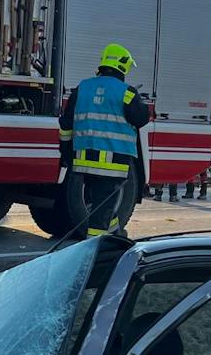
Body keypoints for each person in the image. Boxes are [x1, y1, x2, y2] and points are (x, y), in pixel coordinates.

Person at [59, 43, 151, 236]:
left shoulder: (81, 89)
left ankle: (116, 233)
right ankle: (95, 250)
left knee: (100, 204)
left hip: (84, 162)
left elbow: (66, 125)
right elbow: (141, 118)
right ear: (123, 65)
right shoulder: (126, 92)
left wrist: (66, 153)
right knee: (103, 208)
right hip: (113, 164)